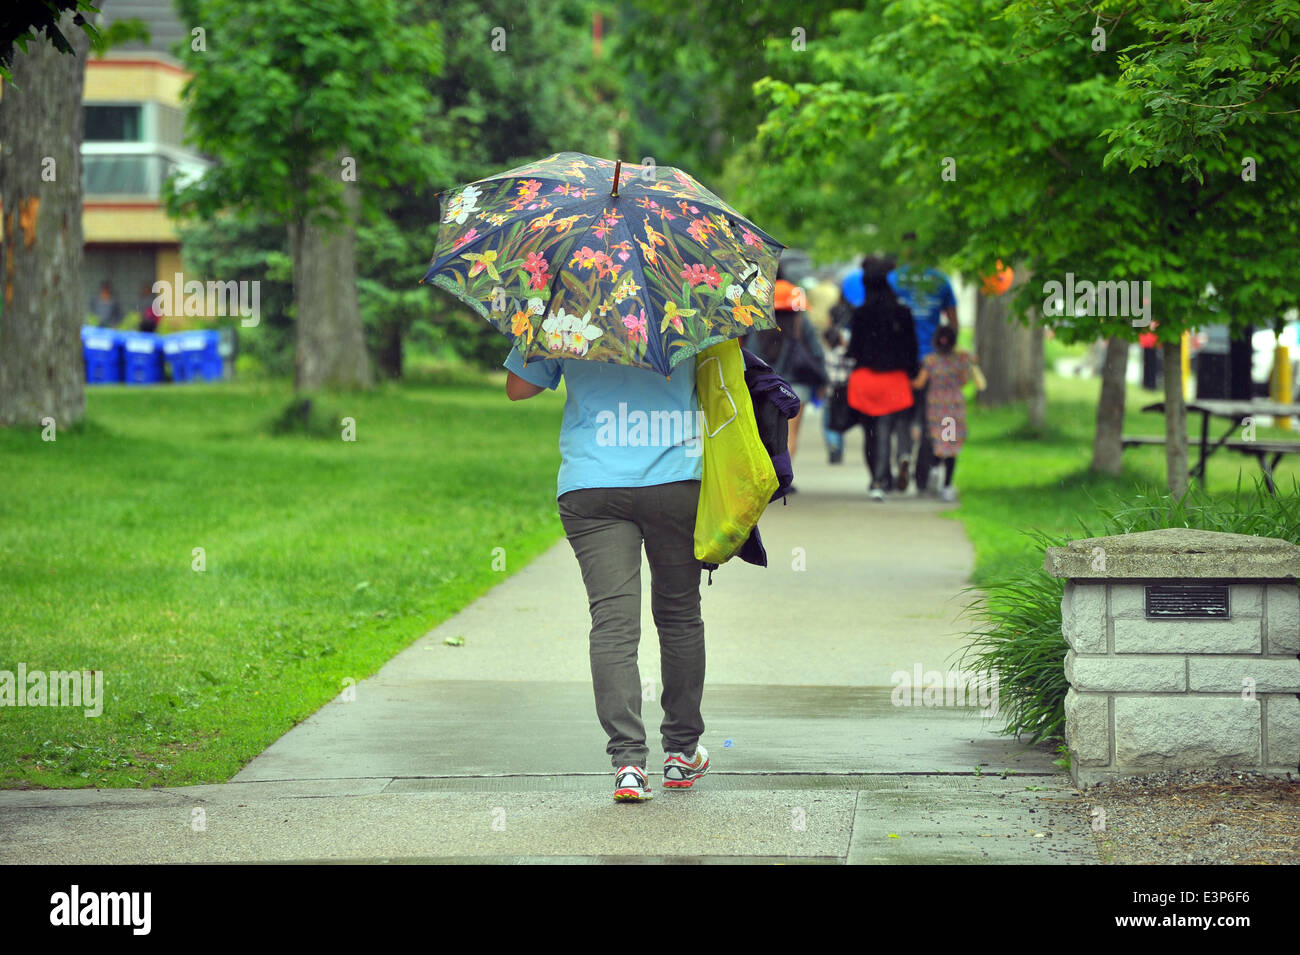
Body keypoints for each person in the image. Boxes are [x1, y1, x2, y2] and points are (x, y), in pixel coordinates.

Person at [504, 342, 709, 802]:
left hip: (593, 485)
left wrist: (538, 335)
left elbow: (517, 388)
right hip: (676, 480)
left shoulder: (567, 305)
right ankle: (681, 753)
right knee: (678, 616)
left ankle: (629, 765)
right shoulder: (692, 295)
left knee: (613, 624)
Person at [888, 233, 957, 493]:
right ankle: (922, 473)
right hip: (933, 360)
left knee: (902, 416)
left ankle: (903, 455)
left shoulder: (895, 280)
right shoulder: (941, 281)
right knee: (932, 417)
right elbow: (952, 324)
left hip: (902, 362)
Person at [846, 256, 919, 500]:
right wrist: (911, 373)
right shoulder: (903, 312)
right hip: (896, 379)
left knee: (872, 432)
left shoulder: (860, 314)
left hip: (866, 379)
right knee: (893, 425)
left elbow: (853, 350)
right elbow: (912, 348)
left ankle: (879, 479)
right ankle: (902, 456)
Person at [745, 279, 826, 485]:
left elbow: (751, 355)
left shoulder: (760, 322)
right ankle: (783, 477)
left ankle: (765, 476)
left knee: (763, 431)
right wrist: (823, 381)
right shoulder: (801, 321)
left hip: (765, 386)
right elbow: (816, 351)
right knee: (790, 435)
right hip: (795, 386)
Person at [912, 324, 977, 502]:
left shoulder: (930, 361)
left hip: (936, 408)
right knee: (950, 446)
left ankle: (934, 469)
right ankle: (947, 485)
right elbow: (964, 381)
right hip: (953, 408)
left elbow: (919, 383)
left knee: (938, 442)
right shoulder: (959, 361)